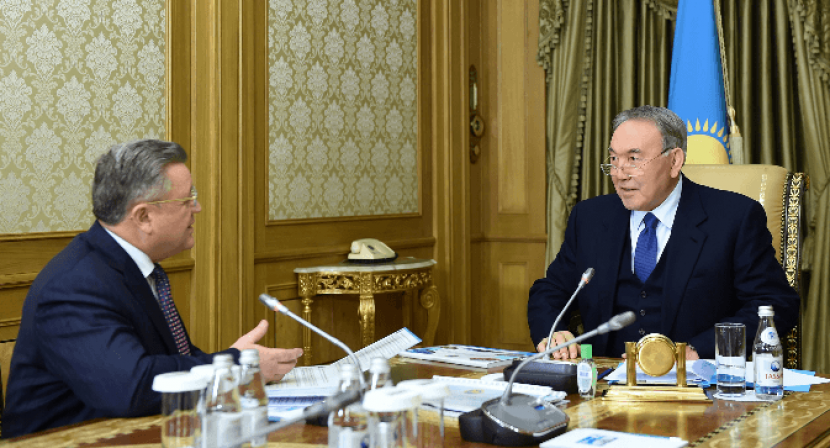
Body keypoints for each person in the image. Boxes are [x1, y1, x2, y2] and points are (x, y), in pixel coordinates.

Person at [3, 140, 303, 438]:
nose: (197, 208)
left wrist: (232, 361)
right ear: (144, 217)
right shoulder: (74, 286)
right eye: (188, 199)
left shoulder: (137, 267)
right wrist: (237, 367)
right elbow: (132, 387)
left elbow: (173, 360)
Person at [527, 106, 799, 361]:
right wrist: (553, 331)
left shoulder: (733, 217)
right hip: (604, 379)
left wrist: (697, 350)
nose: (619, 174)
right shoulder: (590, 218)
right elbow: (551, 290)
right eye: (613, 159)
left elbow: (775, 305)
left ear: (674, 160)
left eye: (633, 159)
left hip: (693, 383)